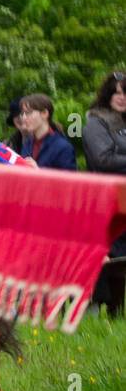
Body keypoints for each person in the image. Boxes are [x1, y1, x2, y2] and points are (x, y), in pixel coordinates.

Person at [86, 71, 126, 315]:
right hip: (107, 200)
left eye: (125, 92)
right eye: (116, 92)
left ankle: (117, 313)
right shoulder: (95, 120)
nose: (121, 97)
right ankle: (98, 308)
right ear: (107, 94)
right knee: (109, 256)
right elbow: (103, 158)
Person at [18, 94, 76, 170]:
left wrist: (39, 172)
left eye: (29, 112)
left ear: (45, 113)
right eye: (22, 113)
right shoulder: (27, 144)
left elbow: (69, 180)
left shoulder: (63, 147)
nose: (24, 118)